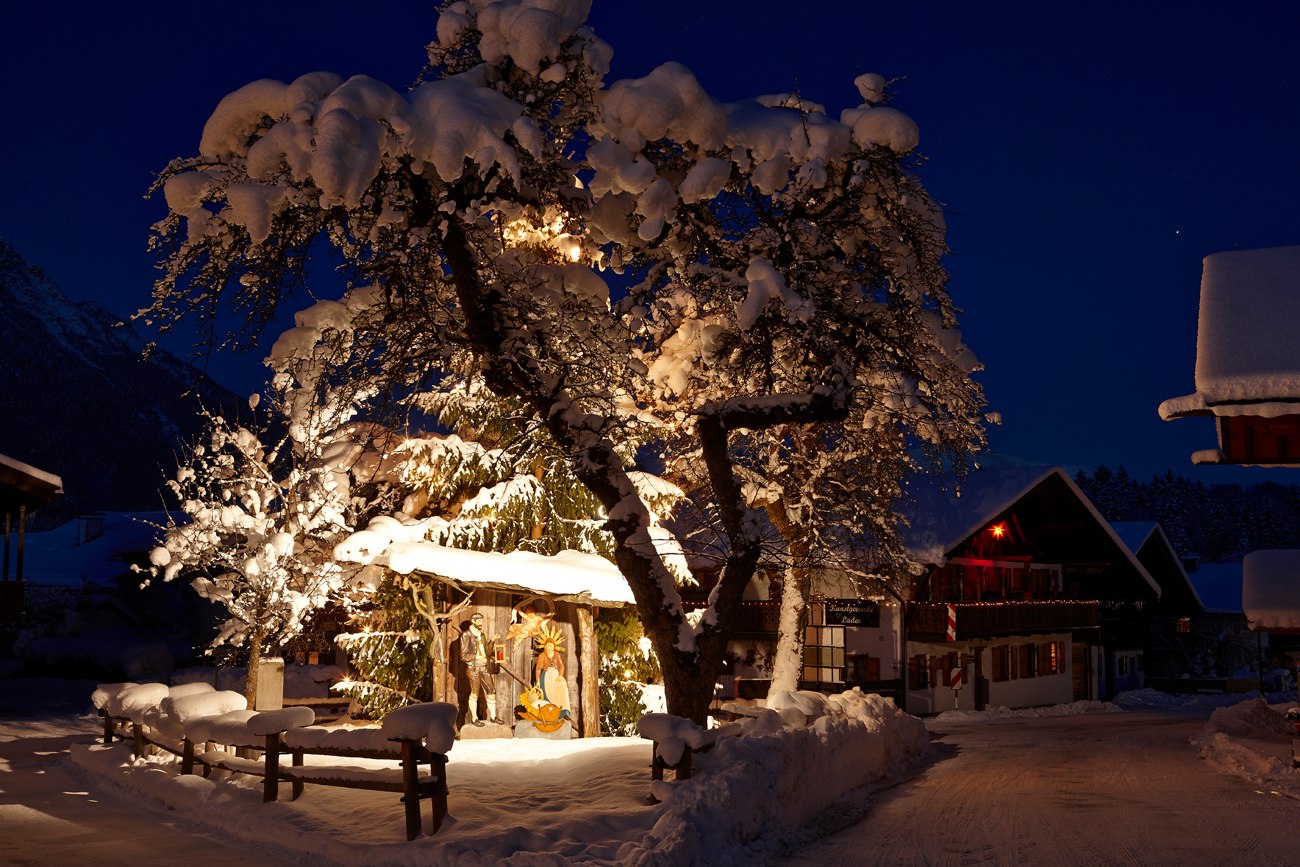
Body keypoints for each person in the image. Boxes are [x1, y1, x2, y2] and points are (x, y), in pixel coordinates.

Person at [460, 612, 501, 726]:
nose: (481, 624)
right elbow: (463, 655)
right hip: (473, 669)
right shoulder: (466, 635)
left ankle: (493, 716)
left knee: (491, 690)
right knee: (475, 692)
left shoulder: (481, 635)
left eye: (482, 621)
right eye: (479, 621)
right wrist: (477, 657)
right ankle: (474, 718)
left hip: (484, 667)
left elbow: (487, 652)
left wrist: (492, 640)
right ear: (473, 621)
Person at [533, 624, 571, 718]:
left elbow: (561, 666)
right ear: (545, 647)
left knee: (563, 688)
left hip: (556, 675)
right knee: (549, 691)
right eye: (547, 646)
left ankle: (564, 711)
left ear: (553, 646)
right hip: (546, 676)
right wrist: (538, 681)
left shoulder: (557, 654)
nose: (549, 648)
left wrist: (560, 676)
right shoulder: (542, 655)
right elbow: (538, 669)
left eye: (550, 646)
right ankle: (551, 713)